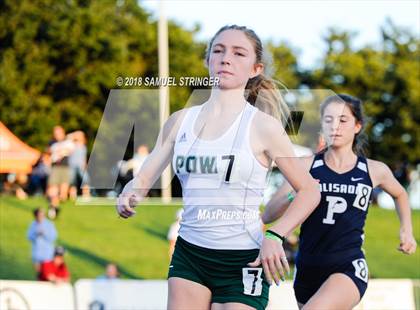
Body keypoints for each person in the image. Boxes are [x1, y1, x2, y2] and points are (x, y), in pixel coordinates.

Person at [117, 24, 320, 310]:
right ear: (208, 60)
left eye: (239, 53)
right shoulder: (180, 121)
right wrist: (130, 192)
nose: (226, 58)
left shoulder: (264, 127)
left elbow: (310, 191)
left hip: (244, 258)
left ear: (255, 68)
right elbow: (144, 177)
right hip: (190, 254)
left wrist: (276, 234)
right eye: (219, 50)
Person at [262, 94, 417, 309]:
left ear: (357, 126)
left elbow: (400, 194)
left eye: (343, 120)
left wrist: (406, 230)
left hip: (348, 266)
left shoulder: (373, 170)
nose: (335, 126)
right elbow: (269, 214)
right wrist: (296, 194)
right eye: (328, 120)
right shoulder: (304, 166)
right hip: (307, 266)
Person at [47, 125, 75, 218]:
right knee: (53, 191)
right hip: (55, 168)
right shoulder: (52, 143)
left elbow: (70, 150)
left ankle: (55, 206)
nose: (57, 135)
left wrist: (61, 152)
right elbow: (49, 154)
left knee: (63, 195)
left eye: (58, 132)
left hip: (65, 168)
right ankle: (53, 208)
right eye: (55, 133)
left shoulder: (68, 142)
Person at [27, 208, 57, 274]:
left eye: (42, 215)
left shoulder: (49, 224)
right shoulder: (32, 225)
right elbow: (29, 237)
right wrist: (36, 234)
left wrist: (44, 234)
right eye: (39, 215)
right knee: (39, 274)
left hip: (47, 255)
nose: (41, 217)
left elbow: (53, 237)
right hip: (36, 254)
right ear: (35, 216)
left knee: (47, 274)